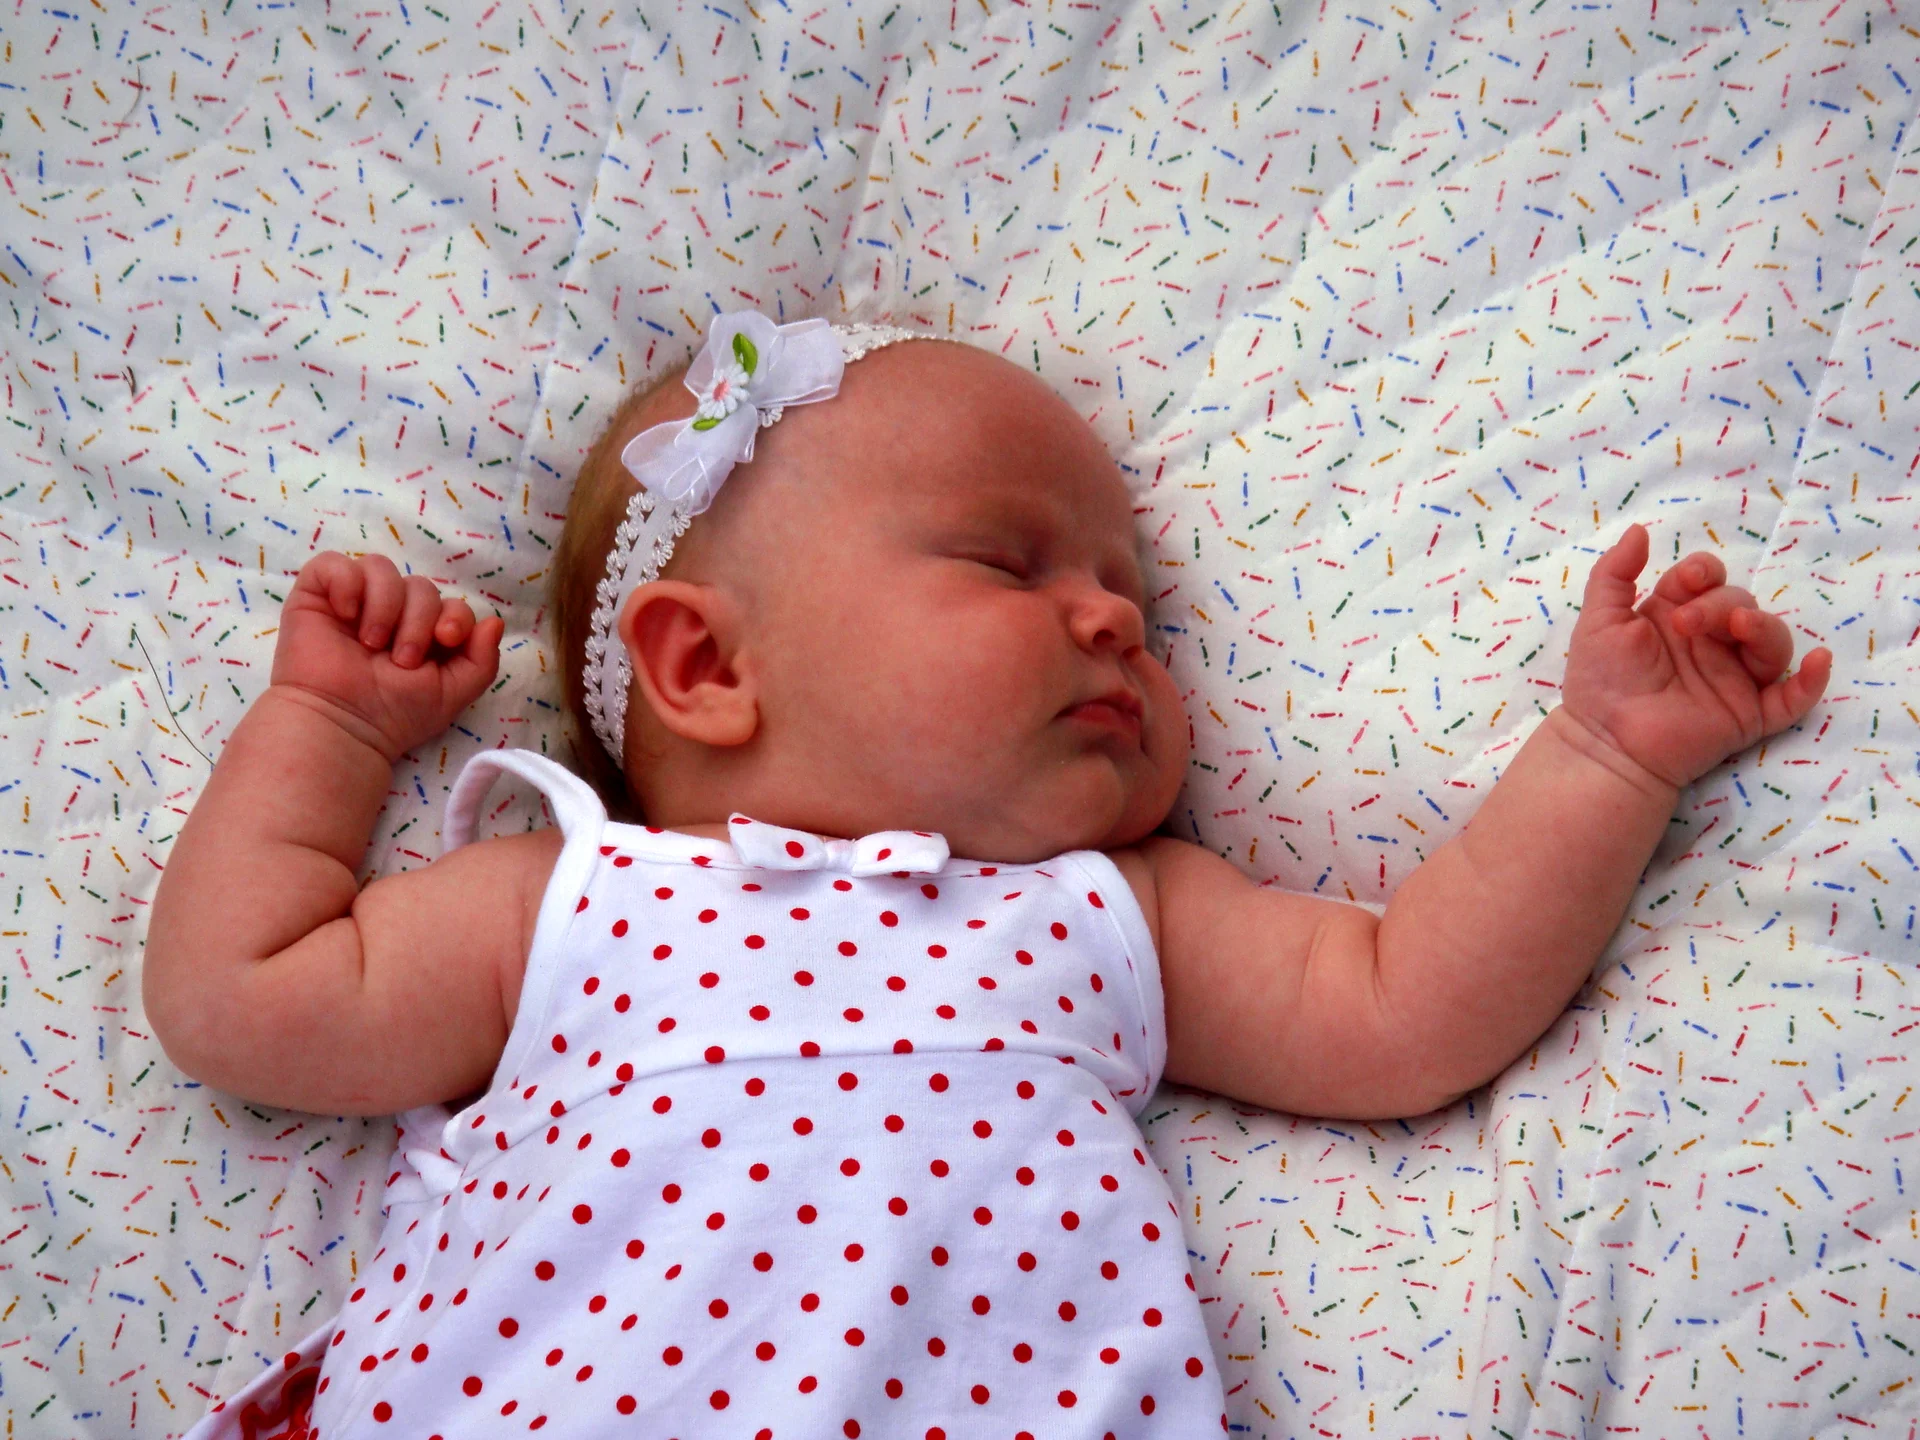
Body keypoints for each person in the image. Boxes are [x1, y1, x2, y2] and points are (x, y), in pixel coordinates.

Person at [148, 310, 1831, 1438]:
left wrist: (1606, 760)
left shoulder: (1107, 910)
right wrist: (329, 731)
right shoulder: (573, 904)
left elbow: (1407, 1011)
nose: (1111, 620)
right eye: (1007, 563)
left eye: (1138, 609)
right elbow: (239, 999)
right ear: (706, 669)